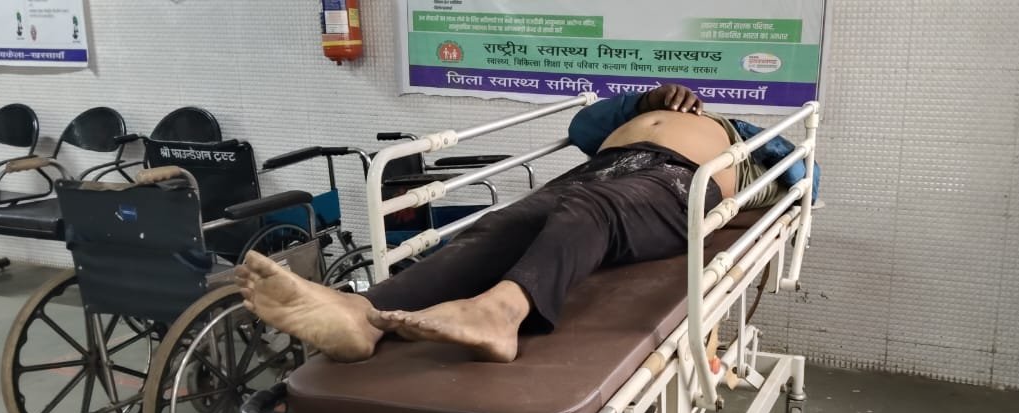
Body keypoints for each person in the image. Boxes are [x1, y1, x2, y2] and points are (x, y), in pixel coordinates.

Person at [236, 84, 819, 363]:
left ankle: (501, 314)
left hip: (678, 181)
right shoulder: (639, 109)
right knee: (506, 224)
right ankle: (362, 314)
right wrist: (643, 103)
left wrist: (755, 155)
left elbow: (805, 179)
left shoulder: (747, 136)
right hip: (601, 167)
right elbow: (584, 130)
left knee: (593, 211)